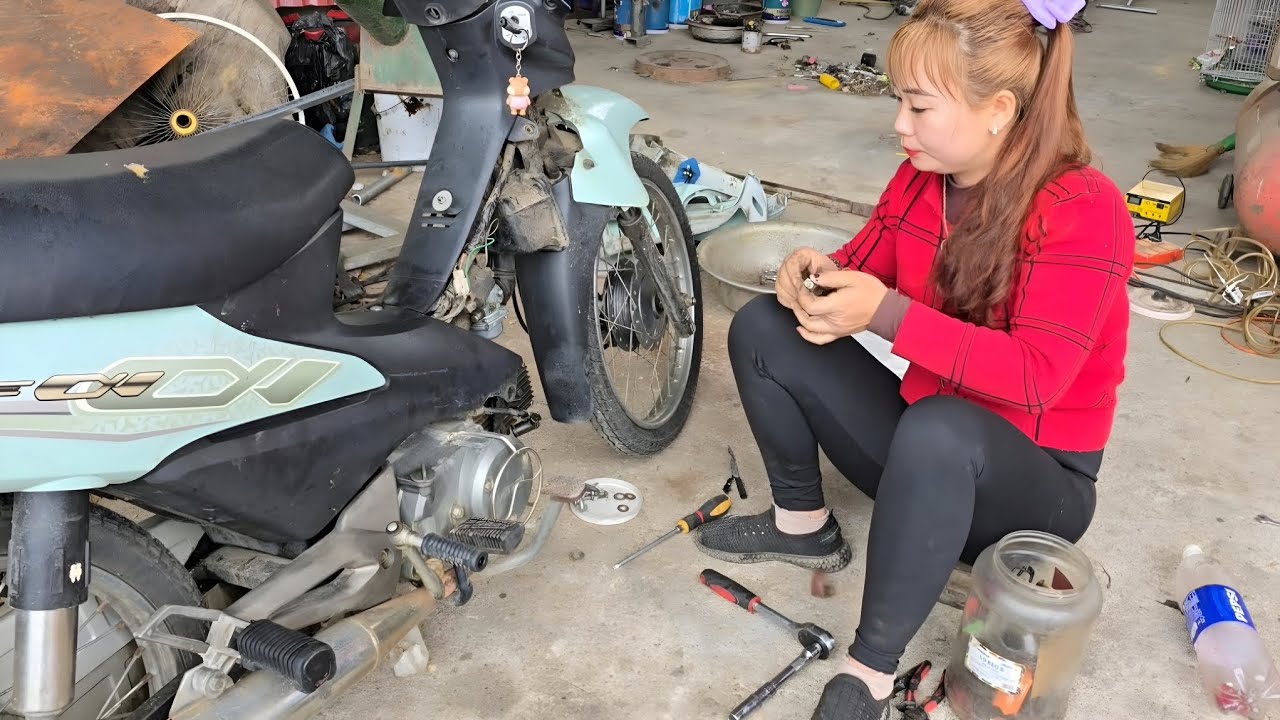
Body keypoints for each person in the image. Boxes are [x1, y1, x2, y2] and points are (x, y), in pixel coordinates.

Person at [694, 0, 1134, 716]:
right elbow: (861, 264)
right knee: (765, 327)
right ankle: (802, 526)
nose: (900, 124)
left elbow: (1034, 376)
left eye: (920, 106)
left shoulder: (1084, 208)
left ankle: (868, 670)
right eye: (900, 100)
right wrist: (813, 276)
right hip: (929, 450)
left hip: (1034, 487)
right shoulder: (921, 180)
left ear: (997, 109)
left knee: (940, 426)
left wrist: (888, 315)